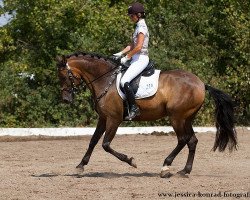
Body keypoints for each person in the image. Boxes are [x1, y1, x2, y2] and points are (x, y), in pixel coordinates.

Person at [113, 2, 149, 120]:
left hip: (141, 58)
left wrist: (127, 57)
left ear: (138, 15)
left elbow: (138, 47)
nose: (130, 18)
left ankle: (134, 108)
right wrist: (121, 53)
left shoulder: (142, 27)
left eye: (131, 16)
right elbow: (132, 45)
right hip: (135, 58)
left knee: (124, 81)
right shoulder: (138, 26)